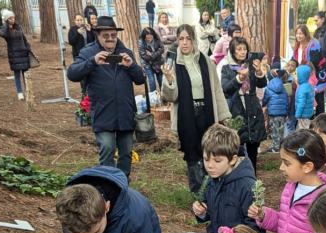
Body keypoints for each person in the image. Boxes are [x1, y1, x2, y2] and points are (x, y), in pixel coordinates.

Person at [248, 130, 326, 233]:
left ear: (307, 166)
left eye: (286, 163)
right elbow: (284, 222)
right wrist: (264, 215)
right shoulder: (291, 187)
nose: (281, 168)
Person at [68, 17, 145, 178]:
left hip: (125, 113)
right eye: (106, 35)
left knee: (126, 153)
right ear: (98, 35)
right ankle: (108, 185)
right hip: (103, 112)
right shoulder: (88, 52)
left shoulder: (126, 53)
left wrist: (131, 66)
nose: (110, 38)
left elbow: (140, 79)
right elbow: (72, 73)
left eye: (113, 35)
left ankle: (123, 187)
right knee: (108, 148)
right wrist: (92, 62)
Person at [160, 25, 229, 193]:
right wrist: (169, 79)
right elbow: (171, 96)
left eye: (188, 39)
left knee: (210, 149)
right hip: (187, 116)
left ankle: (212, 190)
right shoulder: (173, 63)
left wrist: (223, 115)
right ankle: (198, 193)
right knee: (192, 152)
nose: (184, 43)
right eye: (181, 39)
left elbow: (216, 90)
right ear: (177, 41)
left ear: (193, 40)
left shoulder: (205, 61)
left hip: (206, 113)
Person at [192, 124, 263, 233]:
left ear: (233, 159)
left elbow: (255, 227)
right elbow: (211, 214)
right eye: (206, 159)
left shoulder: (247, 187)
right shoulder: (210, 181)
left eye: (217, 160)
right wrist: (202, 212)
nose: (210, 165)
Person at [221, 37, 268, 170]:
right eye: (239, 49)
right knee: (237, 147)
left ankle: (252, 177)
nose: (243, 52)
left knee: (253, 148)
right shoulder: (227, 68)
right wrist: (239, 78)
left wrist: (259, 72)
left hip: (252, 109)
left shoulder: (251, 66)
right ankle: (238, 177)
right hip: (236, 110)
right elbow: (225, 89)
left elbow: (262, 84)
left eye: (245, 49)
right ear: (233, 51)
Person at [293, 25, 326, 116]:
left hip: (317, 74)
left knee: (318, 99)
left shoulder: (314, 44)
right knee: (307, 99)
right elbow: (295, 59)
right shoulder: (298, 45)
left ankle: (320, 120)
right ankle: (309, 118)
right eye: (297, 34)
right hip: (305, 74)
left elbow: (314, 62)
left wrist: (302, 73)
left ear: (306, 34)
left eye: (301, 34)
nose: (298, 36)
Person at [0, 9, 31, 101]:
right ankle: (19, 93)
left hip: (23, 54)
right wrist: (5, 24)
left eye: (13, 17)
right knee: (17, 75)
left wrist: (28, 48)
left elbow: (24, 39)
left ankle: (28, 91)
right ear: (6, 19)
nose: (13, 19)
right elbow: (2, 34)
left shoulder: (18, 27)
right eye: (10, 18)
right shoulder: (5, 29)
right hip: (14, 55)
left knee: (26, 74)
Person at [263, 67, 290, 153]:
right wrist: (286, 112)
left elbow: (265, 99)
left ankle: (275, 147)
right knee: (281, 130)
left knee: (274, 130)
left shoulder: (269, 87)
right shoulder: (284, 88)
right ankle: (280, 145)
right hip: (282, 113)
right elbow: (286, 101)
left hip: (273, 113)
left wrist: (263, 104)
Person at [138, 27, 165, 94]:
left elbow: (162, 49)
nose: (149, 39)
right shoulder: (141, 42)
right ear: (144, 37)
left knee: (161, 79)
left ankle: (163, 96)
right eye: (147, 38)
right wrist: (156, 53)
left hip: (158, 62)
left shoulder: (156, 38)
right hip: (147, 64)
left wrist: (152, 54)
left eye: (151, 37)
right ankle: (153, 96)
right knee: (152, 80)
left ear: (153, 35)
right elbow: (143, 55)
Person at [294, 63, 315, 129]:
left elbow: (301, 103)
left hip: (303, 115)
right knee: (306, 128)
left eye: (297, 75)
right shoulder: (309, 85)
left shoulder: (302, 89)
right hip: (308, 113)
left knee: (303, 130)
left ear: (301, 76)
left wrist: (297, 115)